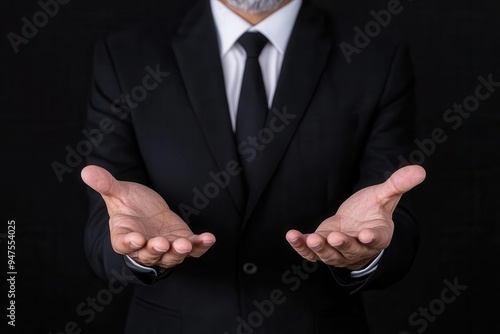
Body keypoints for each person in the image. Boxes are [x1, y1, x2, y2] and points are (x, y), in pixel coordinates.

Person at [81, 0, 426, 333]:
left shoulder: (377, 57)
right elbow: (105, 223)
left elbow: (394, 219)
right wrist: (137, 252)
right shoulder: (126, 56)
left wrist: (364, 255)